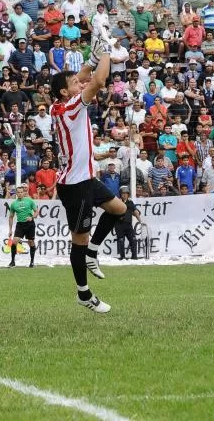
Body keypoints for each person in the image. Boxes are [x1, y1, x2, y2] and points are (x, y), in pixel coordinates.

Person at [50, 35, 127, 313]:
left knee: (119, 209)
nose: (79, 84)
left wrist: (91, 59)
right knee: (78, 240)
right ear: (64, 92)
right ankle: (84, 294)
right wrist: (106, 49)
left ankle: (94, 252)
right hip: (75, 185)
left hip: (86, 178)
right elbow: (98, 81)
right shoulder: (70, 107)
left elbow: (84, 75)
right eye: (73, 84)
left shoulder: (62, 104)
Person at [7, 184, 38, 267]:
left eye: (21, 192)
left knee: (31, 242)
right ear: (16, 193)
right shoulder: (13, 204)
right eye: (18, 192)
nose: (20, 193)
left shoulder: (29, 200)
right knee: (14, 242)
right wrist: (10, 230)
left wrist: (32, 217)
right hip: (20, 224)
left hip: (30, 224)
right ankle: (12, 261)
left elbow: (36, 212)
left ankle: (32, 262)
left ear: (24, 193)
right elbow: (11, 217)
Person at [115, 186, 141, 260]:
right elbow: (113, 212)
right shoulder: (117, 202)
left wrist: (140, 220)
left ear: (128, 194)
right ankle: (122, 257)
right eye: (123, 193)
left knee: (133, 239)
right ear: (120, 194)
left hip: (128, 225)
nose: (124, 195)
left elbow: (135, 211)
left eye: (126, 193)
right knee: (121, 241)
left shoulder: (130, 202)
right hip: (119, 225)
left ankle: (134, 257)